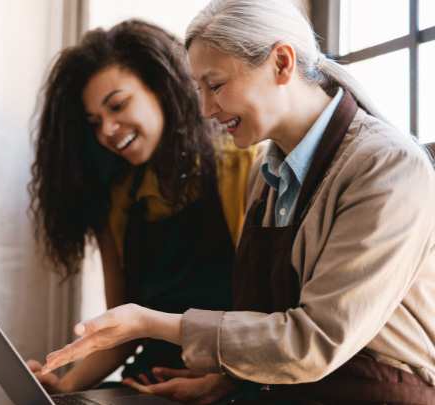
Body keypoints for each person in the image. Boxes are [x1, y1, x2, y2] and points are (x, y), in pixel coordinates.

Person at [40, 1, 435, 404]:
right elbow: (269, 326)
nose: (205, 109)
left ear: (282, 62)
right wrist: (225, 382)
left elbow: (312, 343)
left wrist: (150, 323)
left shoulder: (387, 165)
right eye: (199, 89)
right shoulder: (266, 178)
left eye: (216, 85)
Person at [27, 19, 257, 395]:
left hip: (229, 385)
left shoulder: (242, 170)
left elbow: (270, 320)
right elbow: (120, 334)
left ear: (162, 89)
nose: (107, 129)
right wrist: (60, 386)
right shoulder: (118, 202)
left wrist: (229, 379)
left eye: (117, 105)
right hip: (143, 385)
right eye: (95, 122)